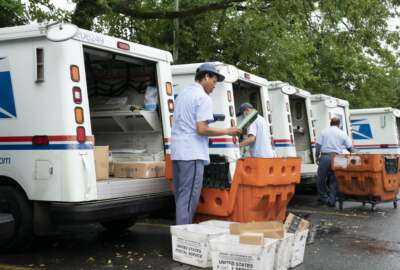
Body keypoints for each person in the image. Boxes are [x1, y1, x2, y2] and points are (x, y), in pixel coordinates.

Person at [170, 63, 242, 225]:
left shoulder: (183, 94)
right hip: (192, 153)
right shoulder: (203, 98)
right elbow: (202, 129)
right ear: (206, 77)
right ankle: (183, 238)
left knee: (181, 197)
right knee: (189, 199)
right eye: (214, 81)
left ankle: (180, 235)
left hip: (178, 152)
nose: (215, 86)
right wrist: (227, 131)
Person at [315, 117, 353, 207]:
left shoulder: (324, 132)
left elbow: (318, 146)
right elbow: (350, 148)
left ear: (330, 123)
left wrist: (317, 156)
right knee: (335, 180)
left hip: (325, 157)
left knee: (321, 179)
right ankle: (332, 200)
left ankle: (324, 198)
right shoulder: (342, 133)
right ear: (339, 124)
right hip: (338, 158)